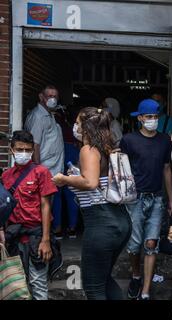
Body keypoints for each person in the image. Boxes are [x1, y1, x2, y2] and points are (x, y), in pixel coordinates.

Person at [52, 107, 132, 300]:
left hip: (101, 222)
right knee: (103, 280)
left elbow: (90, 182)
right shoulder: (107, 148)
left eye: (78, 123)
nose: (75, 127)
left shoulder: (88, 150)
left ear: (86, 127)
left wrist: (64, 179)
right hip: (120, 221)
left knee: (93, 285)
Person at [121, 99, 172, 300]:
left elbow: (167, 168)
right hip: (135, 199)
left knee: (151, 243)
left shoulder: (165, 140)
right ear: (140, 118)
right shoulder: (128, 140)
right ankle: (136, 276)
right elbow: (121, 169)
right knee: (134, 245)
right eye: (148, 117)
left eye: (155, 117)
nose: (152, 120)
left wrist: (171, 199)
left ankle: (145, 291)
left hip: (157, 199)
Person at [1, 131, 58, 300]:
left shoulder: (41, 172)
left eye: (28, 150)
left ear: (33, 150)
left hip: (36, 236)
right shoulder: (6, 176)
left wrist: (46, 240)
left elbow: (46, 205)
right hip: (14, 237)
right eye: (20, 149)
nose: (24, 153)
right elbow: (2, 208)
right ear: (12, 150)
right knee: (17, 285)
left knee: (38, 284)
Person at [52, 105, 80, 239]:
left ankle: (57, 228)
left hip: (58, 160)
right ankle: (72, 228)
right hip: (71, 159)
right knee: (71, 194)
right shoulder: (72, 129)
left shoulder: (55, 127)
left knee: (57, 195)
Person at [24, 85, 64, 177]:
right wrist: (38, 171)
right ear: (41, 97)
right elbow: (34, 144)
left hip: (54, 170)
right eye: (50, 96)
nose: (53, 99)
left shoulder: (49, 113)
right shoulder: (38, 117)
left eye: (55, 97)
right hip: (45, 172)